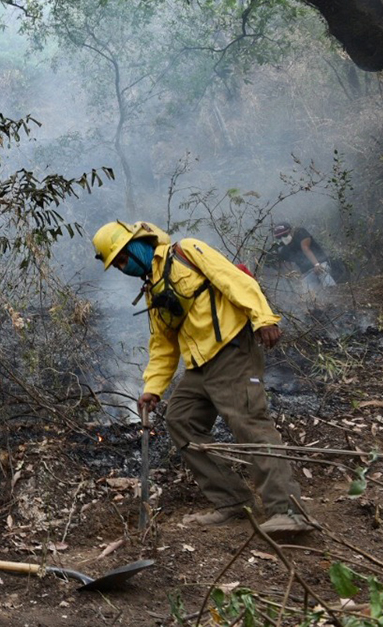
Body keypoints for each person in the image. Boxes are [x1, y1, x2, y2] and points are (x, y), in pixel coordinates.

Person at [92, 221, 310, 534]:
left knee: (250, 424)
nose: (123, 268)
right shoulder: (154, 288)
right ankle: (234, 502)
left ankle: (288, 511)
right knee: (181, 419)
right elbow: (163, 344)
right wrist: (153, 388)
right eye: (118, 265)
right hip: (199, 366)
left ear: (138, 244)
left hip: (232, 351)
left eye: (123, 259)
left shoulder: (187, 251)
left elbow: (234, 281)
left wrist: (263, 319)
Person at [270, 222, 337, 293]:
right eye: (279, 237)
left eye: (284, 235)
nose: (283, 238)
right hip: (306, 272)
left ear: (290, 231)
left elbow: (305, 248)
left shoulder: (300, 233)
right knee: (308, 292)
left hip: (321, 263)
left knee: (323, 274)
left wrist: (316, 265)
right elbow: (286, 264)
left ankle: (333, 292)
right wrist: (294, 277)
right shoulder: (284, 248)